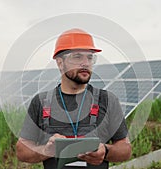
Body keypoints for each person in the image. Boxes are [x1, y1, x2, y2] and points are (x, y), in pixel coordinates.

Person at [16, 28, 132, 169]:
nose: (85, 63)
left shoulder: (107, 100)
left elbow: (125, 149)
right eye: (77, 57)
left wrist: (106, 151)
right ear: (60, 63)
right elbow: (22, 151)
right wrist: (46, 151)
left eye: (90, 57)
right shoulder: (41, 102)